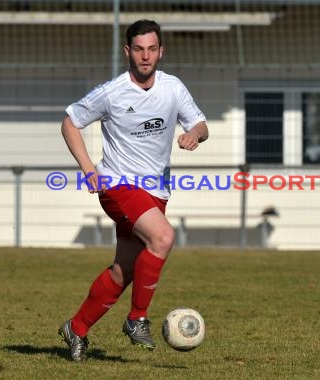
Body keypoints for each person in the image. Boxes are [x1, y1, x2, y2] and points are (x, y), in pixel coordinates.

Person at [58, 20, 208, 361]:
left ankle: (76, 328)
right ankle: (137, 318)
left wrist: (194, 135)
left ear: (161, 51)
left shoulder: (173, 87)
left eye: (152, 49)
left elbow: (200, 123)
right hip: (117, 184)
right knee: (163, 237)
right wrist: (88, 170)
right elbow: (70, 122)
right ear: (127, 51)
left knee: (123, 270)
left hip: (156, 192)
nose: (145, 56)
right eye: (138, 49)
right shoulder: (111, 92)